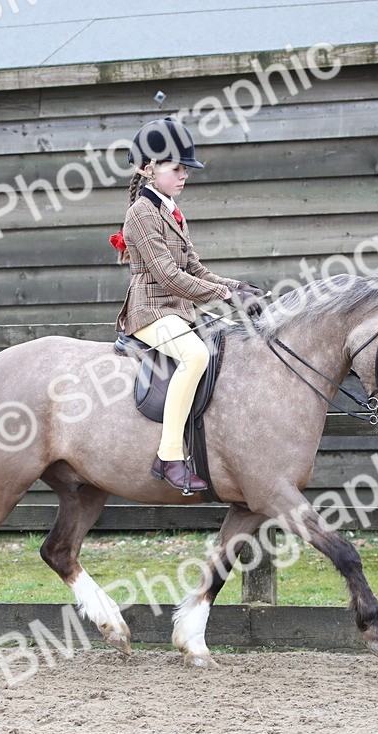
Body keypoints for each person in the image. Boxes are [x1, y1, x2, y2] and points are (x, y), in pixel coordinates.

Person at [111, 118, 263, 494]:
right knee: (195, 355)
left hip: (179, 310)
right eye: (176, 168)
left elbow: (195, 269)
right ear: (149, 169)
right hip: (150, 311)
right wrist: (225, 296)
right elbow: (168, 276)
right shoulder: (141, 214)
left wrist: (238, 287)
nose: (184, 175)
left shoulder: (172, 210)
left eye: (186, 169)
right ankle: (169, 457)